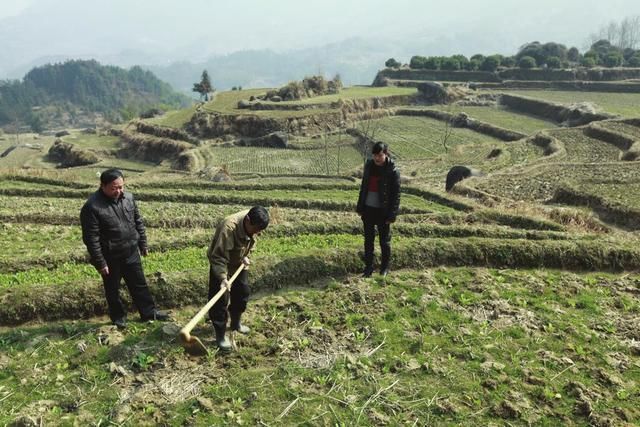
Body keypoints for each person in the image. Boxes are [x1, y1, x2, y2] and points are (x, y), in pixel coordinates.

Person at [80, 169, 169, 329]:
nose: (118, 191)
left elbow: (137, 221)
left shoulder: (129, 198)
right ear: (103, 186)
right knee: (113, 289)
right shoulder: (92, 207)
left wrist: (143, 243)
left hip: (131, 251)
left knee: (139, 284)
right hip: (110, 256)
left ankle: (149, 312)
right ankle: (118, 317)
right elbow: (91, 238)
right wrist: (100, 262)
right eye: (114, 188)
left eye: (121, 187)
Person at [207, 206, 270, 352]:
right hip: (221, 264)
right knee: (220, 300)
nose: (258, 233)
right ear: (247, 220)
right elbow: (217, 257)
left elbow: (251, 240)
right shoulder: (228, 227)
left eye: (260, 230)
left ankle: (236, 324)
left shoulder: (256, 221)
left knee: (242, 292)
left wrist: (247, 255)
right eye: (256, 229)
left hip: (239, 262)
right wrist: (223, 278)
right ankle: (221, 335)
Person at [356, 142, 401, 277]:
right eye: (375, 155)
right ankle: (368, 268)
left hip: (383, 211)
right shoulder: (369, 166)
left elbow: (396, 194)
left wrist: (392, 214)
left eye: (380, 155)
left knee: (384, 241)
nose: (377, 159)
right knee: (368, 240)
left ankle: (384, 268)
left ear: (386, 154)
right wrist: (360, 206)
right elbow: (364, 187)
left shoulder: (393, 171)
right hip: (368, 209)